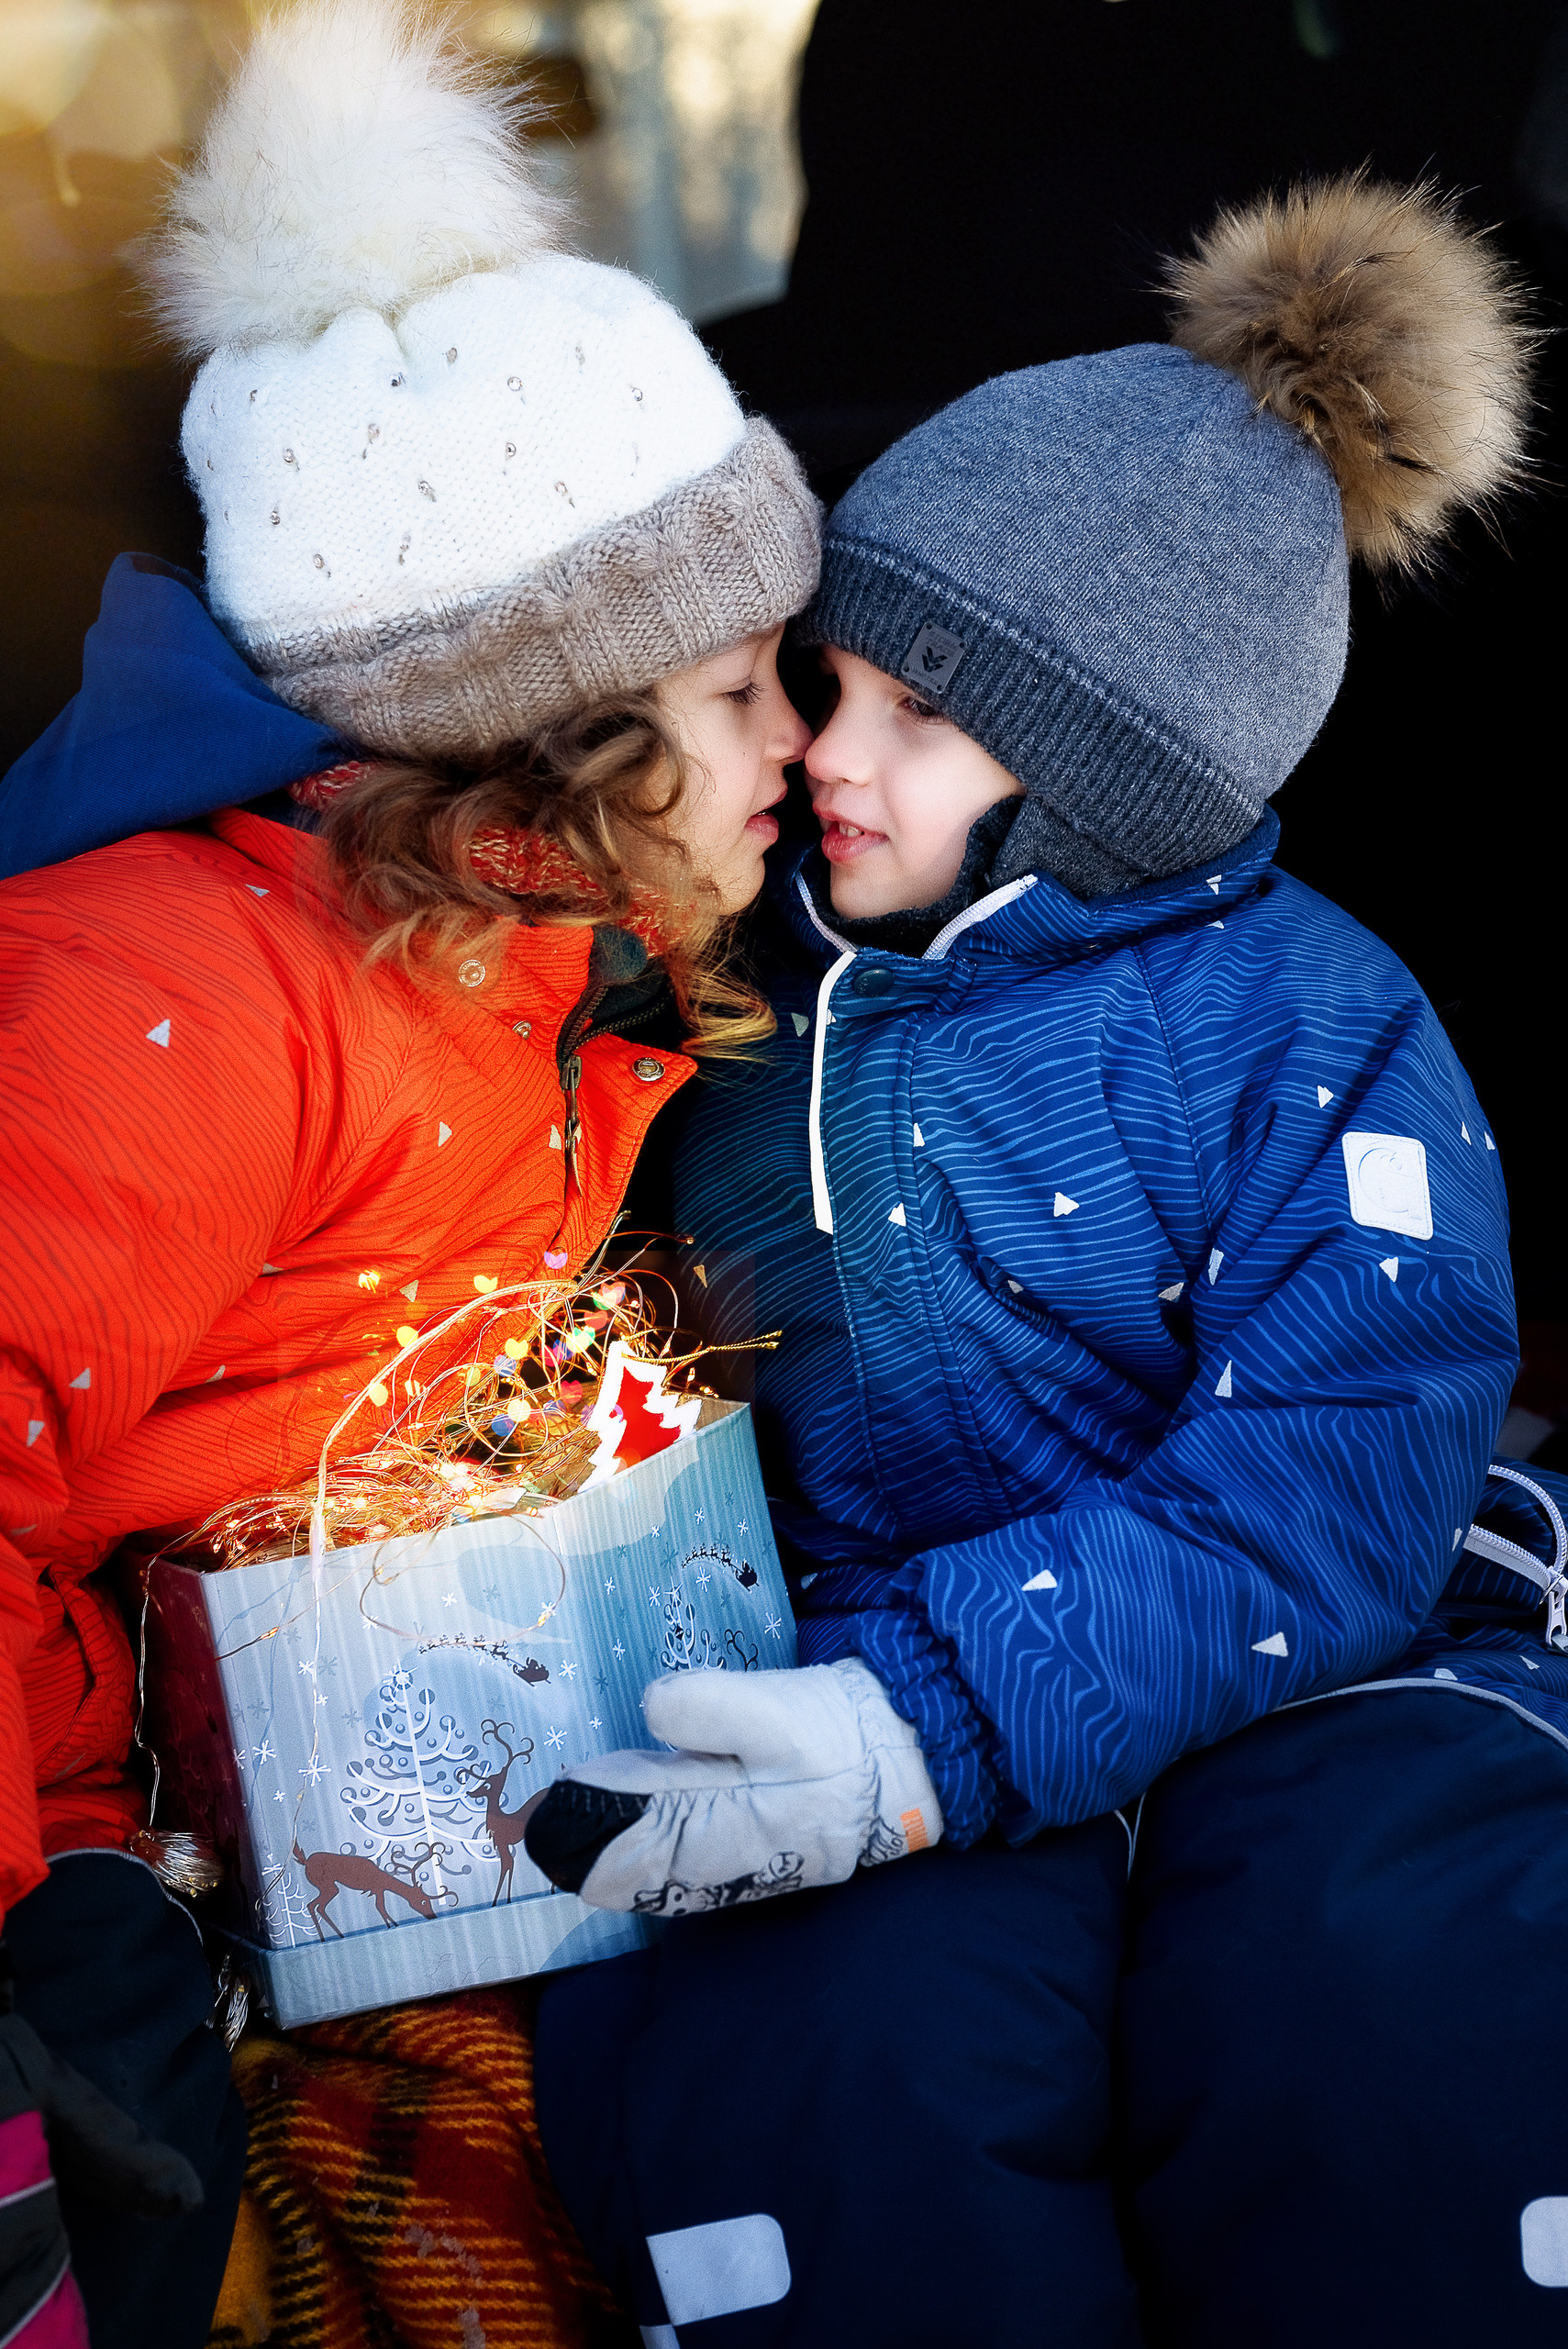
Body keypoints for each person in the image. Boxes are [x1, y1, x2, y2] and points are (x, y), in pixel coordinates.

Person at [523, 181, 1568, 2345]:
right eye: (828, 679)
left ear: (1100, 772)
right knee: (845, 2075)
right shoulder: (730, 990)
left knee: (1381, 2000)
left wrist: (928, 1726)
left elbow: (1344, 1468)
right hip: (835, 1680)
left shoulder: (1315, 1029)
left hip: (1277, 1670)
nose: (821, 747)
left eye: (917, 708)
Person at [0, 6, 817, 2343]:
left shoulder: (550, 954)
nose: (799, 734)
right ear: (561, 723)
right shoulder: (169, 1000)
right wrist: (60, 1901)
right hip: (137, 1903)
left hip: (396, 1832)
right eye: (749, 680)